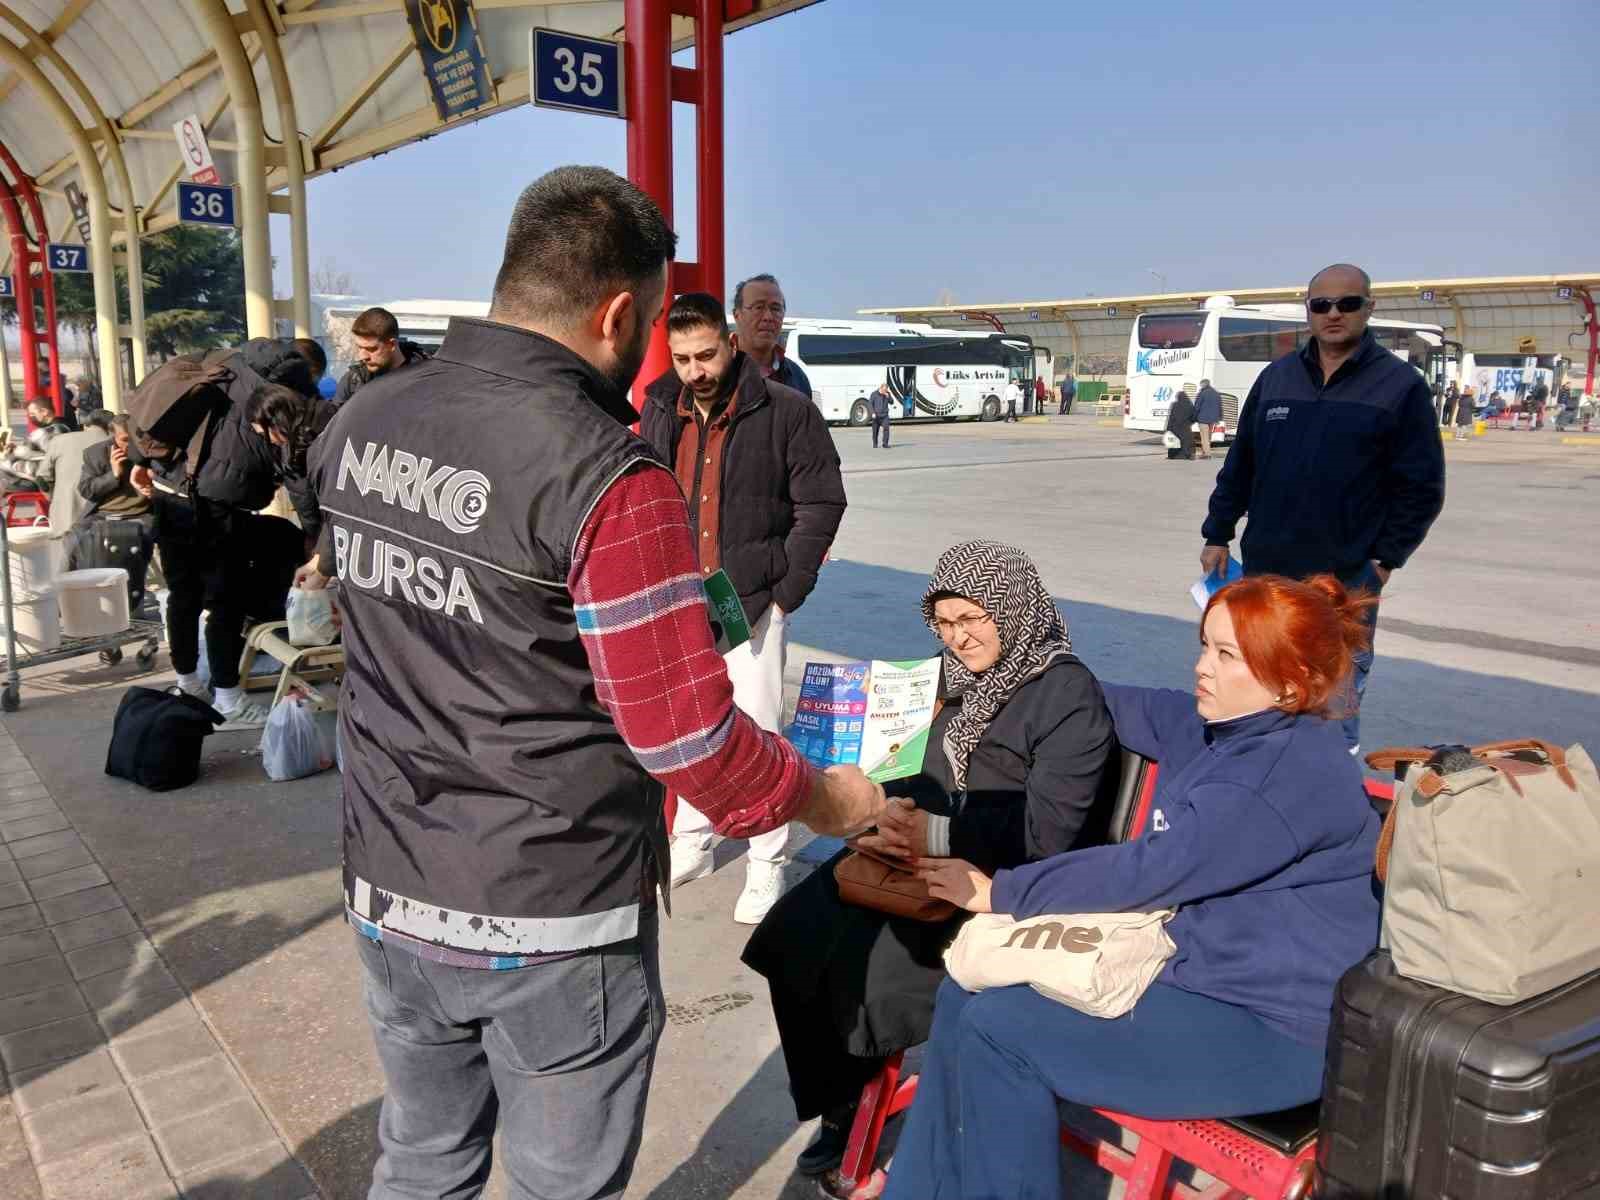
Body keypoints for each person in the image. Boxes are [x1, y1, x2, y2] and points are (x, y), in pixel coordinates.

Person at [295, 167, 881, 1200]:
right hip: (550, 917)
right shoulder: (607, 475)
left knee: (421, 1159)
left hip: (389, 881)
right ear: (618, 312)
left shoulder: (364, 422)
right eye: (651, 324)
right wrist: (830, 798)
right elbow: (690, 743)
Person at [884, 573, 1382, 1200]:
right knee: (965, 988)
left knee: (1000, 1032)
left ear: (1290, 682)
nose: (1202, 667)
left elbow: (1147, 870)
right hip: (1192, 973)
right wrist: (996, 669)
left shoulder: (1280, 774)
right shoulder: (1213, 727)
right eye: (1205, 645)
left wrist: (1000, 892)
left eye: (1227, 656)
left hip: (1272, 1029)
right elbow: (1089, 697)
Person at [744, 540, 1116, 1191]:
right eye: (943, 623)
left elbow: (1048, 834)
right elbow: (904, 766)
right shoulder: (945, 678)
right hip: (912, 859)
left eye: (972, 618)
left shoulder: (1065, 695)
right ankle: (841, 1094)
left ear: (1012, 607)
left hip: (996, 887)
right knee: (791, 932)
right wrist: (874, 817)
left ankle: (854, 1107)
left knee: (868, 973)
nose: (958, 637)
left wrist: (934, 832)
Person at [641, 291, 848, 925]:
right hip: (679, 599)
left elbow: (822, 502)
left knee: (758, 730)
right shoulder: (660, 407)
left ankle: (767, 860)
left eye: (705, 355)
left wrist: (787, 589)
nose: (695, 371)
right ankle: (694, 838)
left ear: (730, 343)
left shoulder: (785, 410)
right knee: (689, 723)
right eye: (682, 360)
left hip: (753, 598)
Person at [1200, 263, 1445, 751]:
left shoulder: (1400, 386)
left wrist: (1384, 559)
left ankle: (1328, 787)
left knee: (1333, 704)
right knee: (1258, 687)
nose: (1334, 313)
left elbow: (1422, 486)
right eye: (1321, 304)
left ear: (1368, 308)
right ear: (1308, 310)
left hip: (1345, 583)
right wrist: (1217, 532)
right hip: (1267, 574)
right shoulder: (1276, 378)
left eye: (1347, 303)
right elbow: (1241, 464)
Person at [125, 338, 326, 728]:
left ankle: (188, 683)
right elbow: (296, 472)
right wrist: (316, 537)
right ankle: (229, 698)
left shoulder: (226, 361)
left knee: (183, 593)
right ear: (310, 371)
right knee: (226, 600)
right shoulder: (289, 390)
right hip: (222, 502)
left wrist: (139, 460)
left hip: (171, 487)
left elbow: (155, 408)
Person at [331, 307, 431, 408]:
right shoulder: (353, 381)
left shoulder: (428, 377)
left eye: (371, 349)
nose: (362, 356)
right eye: (360, 347)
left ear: (392, 344)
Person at [732, 273, 812, 396]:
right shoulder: (715, 372)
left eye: (775, 309)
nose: (768, 317)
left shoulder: (797, 377)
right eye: (758, 307)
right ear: (737, 315)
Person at [36, 407, 110, 536]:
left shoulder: (59, 440)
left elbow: (42, 478)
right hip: (104, 519)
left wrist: (53, 498)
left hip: (65, 518)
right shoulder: (114, 442)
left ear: (86, 425)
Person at [1193, 378, 1222, 459]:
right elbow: (1220, 407)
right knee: (1208, 437)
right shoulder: (1216, 393)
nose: (1200, 386)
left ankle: (1207, 454)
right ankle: (1204, 452)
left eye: (1201, 384)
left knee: (1204, 437)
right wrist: (1219, 418)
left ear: (1203, 384)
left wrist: (1194, 417)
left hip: (1203, 419)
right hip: (1213, 419)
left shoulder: (1202, 393)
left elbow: (1197, 406)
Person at [1165, 386, 1196, 460]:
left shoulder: (1175, 405)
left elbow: (1171, 417)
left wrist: (1168, 427)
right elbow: (1193, 416)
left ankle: (1172, 455)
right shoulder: (1190, 405)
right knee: (1187, 441)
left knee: (1174, 441)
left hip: (1175, 427)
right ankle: (1187, 455)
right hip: (1185, 426)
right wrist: (1190, 422)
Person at [867, 382, 893, 448]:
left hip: (885, 415)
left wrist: (888, 397)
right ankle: (875, 443)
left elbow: (892, 402)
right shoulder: (874, 394)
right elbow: (870, 404)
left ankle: (885, 444)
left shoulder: (887, 394)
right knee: (875, 431)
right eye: (884, 390)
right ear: (881, 388)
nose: (885, 391)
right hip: (876, 416)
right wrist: (872, 413)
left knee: (886, 429)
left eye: (886, 390)